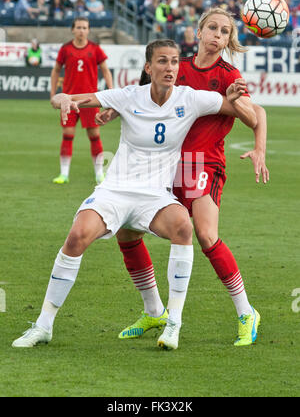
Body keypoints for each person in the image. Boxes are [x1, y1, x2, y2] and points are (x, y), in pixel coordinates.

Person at [11, 39, 256, 350]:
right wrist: (61, 98)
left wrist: (236, 99)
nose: (170, 68)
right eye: (162, 62)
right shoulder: (129, 95)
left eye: (174, 62)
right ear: (148, 67)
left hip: (155, 196)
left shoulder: (191, 98)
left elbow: (245, 112)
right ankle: (43, 325)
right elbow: (71, 98)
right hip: (115, 190)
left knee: (184, 226)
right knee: (76, 237)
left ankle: (173, 324)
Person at [115, 8, 268, 347]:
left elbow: (256, 114)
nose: (217, 35)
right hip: (165, 163)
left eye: (225, 31)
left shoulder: (229, 74)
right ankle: (154, 310)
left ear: (229, 40)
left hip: (203, 162)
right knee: (126, 231)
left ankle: (246, 312)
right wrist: (113, 107)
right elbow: (143, 95)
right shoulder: (177, 67)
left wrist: (259, 148)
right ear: (198, 32)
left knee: (206, 234)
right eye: (212, 27)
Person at [50, 16, 113, 185]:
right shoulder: (65, 49)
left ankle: (99, 174)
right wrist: (53, 93)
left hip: (89, 100)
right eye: (78, 27)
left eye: (84, 28)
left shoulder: (95, 49)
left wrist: (111, 93)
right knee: (68, 134)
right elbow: (56, 71)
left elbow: (106, 71)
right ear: (73, 30)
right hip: (68, 99)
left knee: (94, 135)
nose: (81, 31)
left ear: (88, 30)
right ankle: (64, 174)